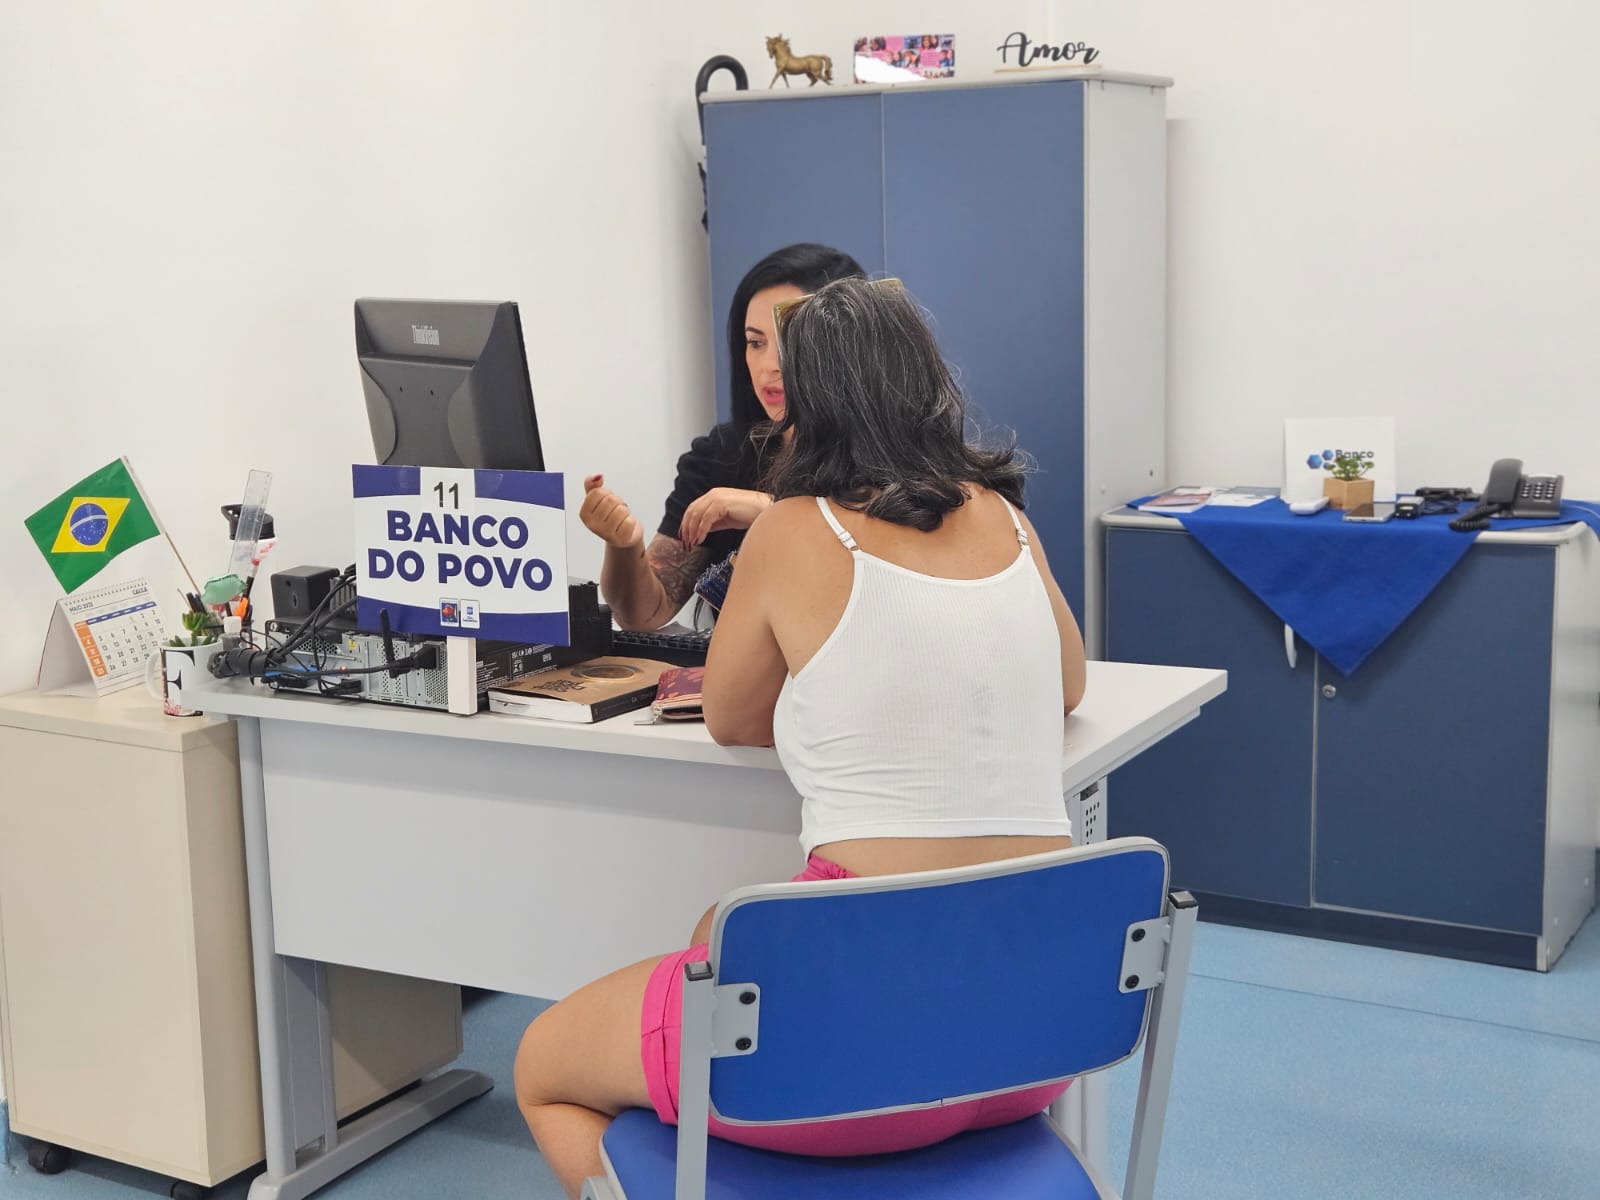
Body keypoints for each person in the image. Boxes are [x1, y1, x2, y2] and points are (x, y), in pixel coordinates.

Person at [515, 277, 1088, 1198]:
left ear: (812, 404)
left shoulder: (792, 530)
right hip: (1027, 1044)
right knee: (720, 945)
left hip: (846, 1050)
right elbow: (1069, 683)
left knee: (543, 1068)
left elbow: (733, 716)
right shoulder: (1007, 518)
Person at [578, 243, 864, 631]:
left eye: (791, 341)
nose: (769, 365)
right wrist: (624, 546)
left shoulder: (894, 455)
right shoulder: (722, 454)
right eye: (756, 342)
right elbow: (645, 613)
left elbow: (876, 566)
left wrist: (769, 512)